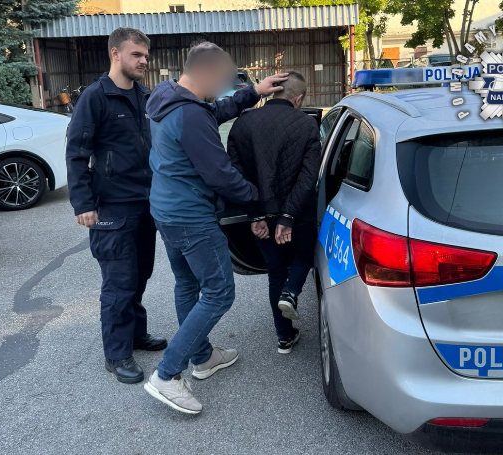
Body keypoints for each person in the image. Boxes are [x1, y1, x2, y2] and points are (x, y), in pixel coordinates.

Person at [143, 41, 288, 414]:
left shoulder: (168, 97)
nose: (225, 87)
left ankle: (203, 356)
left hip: (166, 210)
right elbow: (220, 175)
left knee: (187, 285)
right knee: (219, 292)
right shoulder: (189, 114)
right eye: (223, 78)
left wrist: (253, 92)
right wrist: (259, 198)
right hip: (191, 217)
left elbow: (214, 112)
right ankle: (167, 374)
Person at [66, 27, 167, 385]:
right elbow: (76, 153)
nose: (144, 61)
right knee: (119, 281)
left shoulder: (145, 96)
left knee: (140, 274)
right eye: (136, 54)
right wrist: (83, 203)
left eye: (145, 55)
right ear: (115, 53)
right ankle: (117, 353)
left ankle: (136, 334)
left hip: (146, 204)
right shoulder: (95, 97)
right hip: (112, 207)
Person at [227, 71, 321, 355]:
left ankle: (284, 337)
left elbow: (235, 174)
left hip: (261, 214)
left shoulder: (242, 123)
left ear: (271, 91)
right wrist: (288, 216)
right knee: (305, 255)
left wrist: (254, 215)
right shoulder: (306, 124)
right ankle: (291, 293)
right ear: (299, 98)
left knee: (275, 271)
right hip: (299, 214)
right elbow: (308, 177)